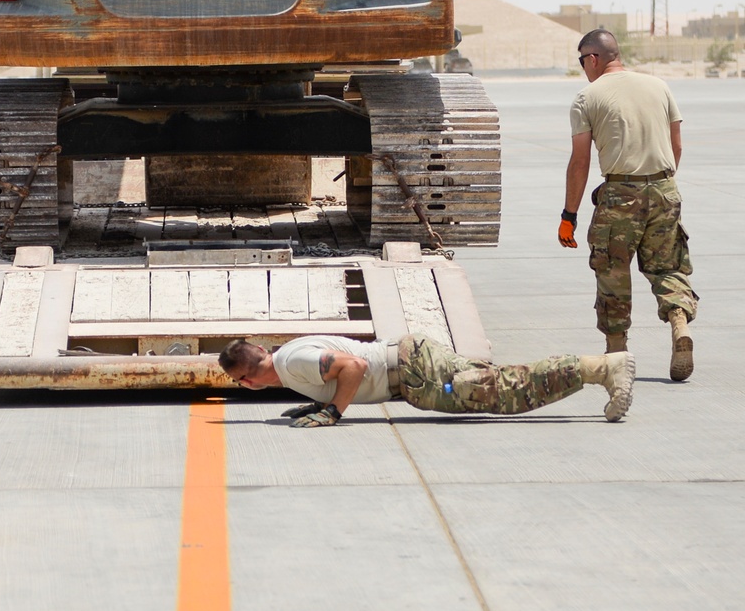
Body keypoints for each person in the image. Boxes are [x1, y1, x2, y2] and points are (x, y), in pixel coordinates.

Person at [558, 28, 698, 380]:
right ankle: (680, 325)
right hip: (665, 189)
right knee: (668, 268)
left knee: (612, 273)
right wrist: (659, 185)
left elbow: (580, 162)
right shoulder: (659, 85)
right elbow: (676, 144)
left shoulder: (587, 97)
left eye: (582, 61)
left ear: (593, 59)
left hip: (620, 195)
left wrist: (568, 215)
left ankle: (617, 356)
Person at [217, 333, 636, 425]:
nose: (246, 389)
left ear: (250, 376)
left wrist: (331, 411)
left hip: (416, 372)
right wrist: (319, 399)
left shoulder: (291, 363)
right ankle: (599, 369)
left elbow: (354, 367)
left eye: (240, 382)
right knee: (504, 384)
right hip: (414, 369)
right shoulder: (289, 362)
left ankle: (602, 368)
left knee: (508, 390)